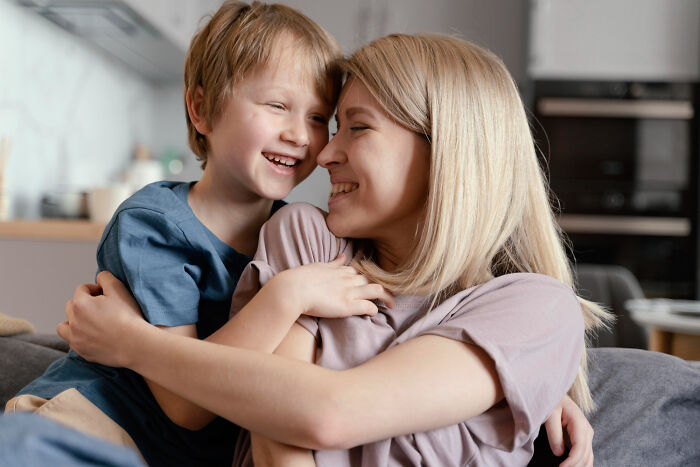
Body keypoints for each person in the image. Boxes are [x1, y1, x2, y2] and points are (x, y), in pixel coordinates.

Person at [58, 33, 606, 466]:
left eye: (352, 128)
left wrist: (133, 343)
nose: (322, 153)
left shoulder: (537, 307)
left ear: (450, 152)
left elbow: (327, 413)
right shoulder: (305, 238)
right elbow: (278, 439)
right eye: (333, 126)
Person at [3, 2, 352, 466]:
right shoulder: (154, 224)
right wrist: (287, 296)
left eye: (317, 117)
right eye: (277, 105)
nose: (301, 135)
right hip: (86, 424)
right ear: (201, 109)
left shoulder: (297, 233)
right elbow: (186, 405)